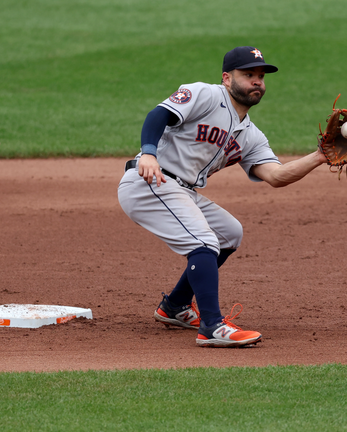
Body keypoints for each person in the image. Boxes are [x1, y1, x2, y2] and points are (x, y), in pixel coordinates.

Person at [118, 46, 332, 347]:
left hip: (181, 190)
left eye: (260, 76)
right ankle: (212, 327)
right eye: (249, 75)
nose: (257, 81)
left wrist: (320, 156)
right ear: (227, 78)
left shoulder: (251, 134)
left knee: (229, 233)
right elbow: (159, 115)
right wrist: (149, 154)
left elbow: (276, 176)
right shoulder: (205, 94)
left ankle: (175, 306)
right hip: (150, 180)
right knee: (204, 241)